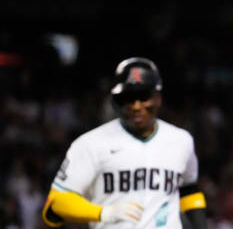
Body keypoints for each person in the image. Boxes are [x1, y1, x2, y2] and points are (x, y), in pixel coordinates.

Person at [41, 57, 207, 229]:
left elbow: (188, 189)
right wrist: (103, 212)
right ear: (116, 102)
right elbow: (56, 203)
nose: (136, 106)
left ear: (158, 98)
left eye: (144, 96)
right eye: (128, 98)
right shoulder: (90, 143)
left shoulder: (181, 140)